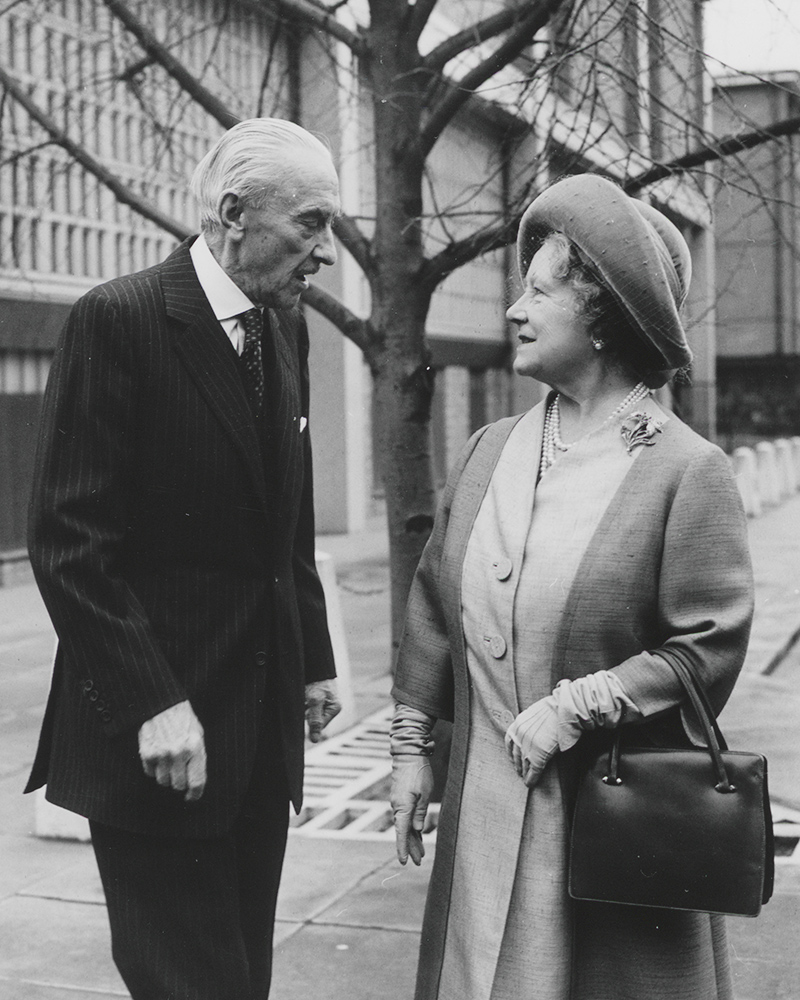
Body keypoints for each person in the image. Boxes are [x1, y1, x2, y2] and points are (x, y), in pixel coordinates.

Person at [390, 173, 754, 1000]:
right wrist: (410, 748)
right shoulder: (488, 448)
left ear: (604, 318)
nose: (514, 309)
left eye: (540, 291)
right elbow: (433, 605)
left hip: (606, 824)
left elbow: (707, 648)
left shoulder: (684, 471)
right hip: (482, 814)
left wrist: (573, 706)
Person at [25, 118, 342, 1000]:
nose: (325, 252)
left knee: (241, 981)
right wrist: (152, 703)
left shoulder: (285, 326)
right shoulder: (119, 319)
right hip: (156, 741)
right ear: (235, 213)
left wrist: (312, 659)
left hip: (257, 733)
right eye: (311, 224)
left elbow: (289, 520)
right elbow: (68, 543)